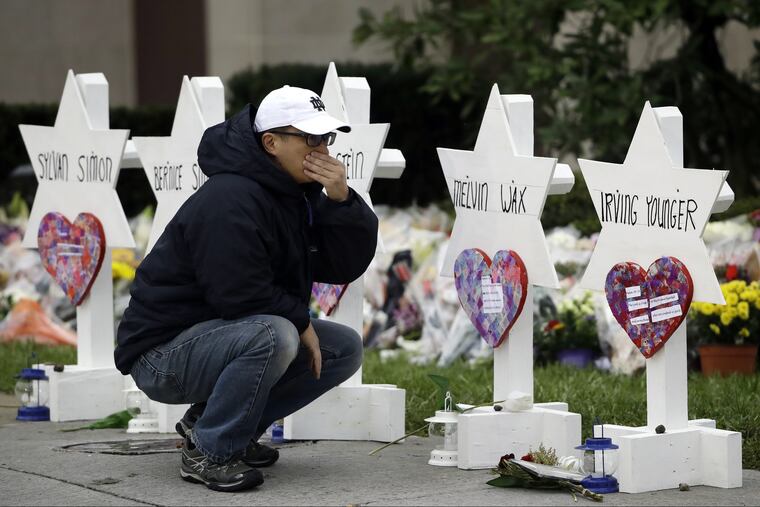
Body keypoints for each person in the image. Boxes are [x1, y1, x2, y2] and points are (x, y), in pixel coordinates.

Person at [114, 85, 378, 492]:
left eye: (326, 138)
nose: (322, 149)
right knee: (276, 334)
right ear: (270, 142)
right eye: (310, 138)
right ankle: (209, 450)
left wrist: (342, 201)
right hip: (161, 355)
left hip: (218, 335)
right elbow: (236, 293)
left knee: (342, 348)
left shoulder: (294, 195)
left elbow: (340, 266)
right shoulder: (231, 195)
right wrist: (299, 320)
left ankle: (219, 425)